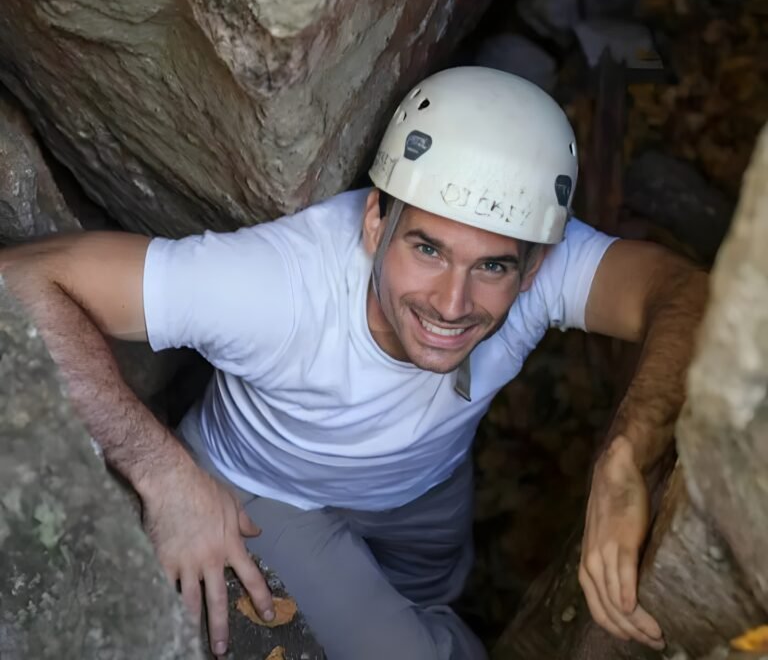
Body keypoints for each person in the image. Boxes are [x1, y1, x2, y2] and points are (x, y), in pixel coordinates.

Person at [0, 67, 707, 659]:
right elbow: (24, 282)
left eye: (491, 266)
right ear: (375, 221)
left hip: (424, 484)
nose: (451, 303)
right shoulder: (276, 289)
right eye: (426, 249)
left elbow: (686, 293)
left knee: (441, 592)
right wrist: (160, 475)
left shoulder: (537, 256)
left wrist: (623, 459)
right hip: (268, 493)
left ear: (536, 266)